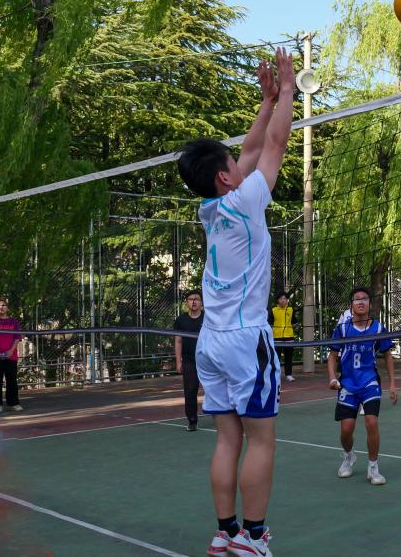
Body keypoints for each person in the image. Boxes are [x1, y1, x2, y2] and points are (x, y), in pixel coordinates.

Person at [176, 48, 295, 557]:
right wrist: (287, 93)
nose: (238, 162)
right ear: (226, 178)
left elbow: (247, 151)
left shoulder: (209, 207)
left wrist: (265, 102)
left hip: (212, 343)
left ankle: (224, 532)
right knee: (261, 440)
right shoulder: (246, 201)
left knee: (227, 439)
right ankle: (254, 534)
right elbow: (273, 147)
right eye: (230, 164)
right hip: (247, 341)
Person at [327, 287, 397, 486]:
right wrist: (332, 378)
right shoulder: (343, 329)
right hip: (347, 383)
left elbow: (388, 355)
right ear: (351, 305)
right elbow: (332, 356)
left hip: (369, 382)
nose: (361, 302)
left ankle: (373, 468)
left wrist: (392, 384)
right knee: (346, 429)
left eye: (365, 299)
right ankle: (349, 455)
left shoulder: (378, 329)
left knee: (371, 422)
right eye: (357, 299)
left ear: (370, 304)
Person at [173, 290, 204, 432]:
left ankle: (221, 416)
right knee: (190, 390)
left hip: (207, 358)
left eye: (197, 299)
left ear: (201, 303)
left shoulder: (208, 318)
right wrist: (178, 361)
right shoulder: (181, 321)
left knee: (214, 388)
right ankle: (192, 420)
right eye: (191, 299)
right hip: (189, 360)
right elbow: (178, 341)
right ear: (187, 302)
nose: (194, 301)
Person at [0, 299, 23, 414]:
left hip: (11, 356)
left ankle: (13, 403)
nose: (1, 307)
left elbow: (17, 338)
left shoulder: (14, 321)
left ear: (7, 307)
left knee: (12, 380)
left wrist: (11, 351)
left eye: (3, 305)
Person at [270, 292, 296, 382]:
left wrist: (294, 326)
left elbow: (294, 322)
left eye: (285, 298)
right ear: (278, 300)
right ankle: (276, 375)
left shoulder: (291, 309)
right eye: (281, 298)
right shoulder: (273, 310)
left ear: (287, 300)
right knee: (276, 358)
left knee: (289, 357)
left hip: (289, 337)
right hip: (277, 337)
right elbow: (270, 323)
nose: (283, 300)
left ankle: (288, 375)